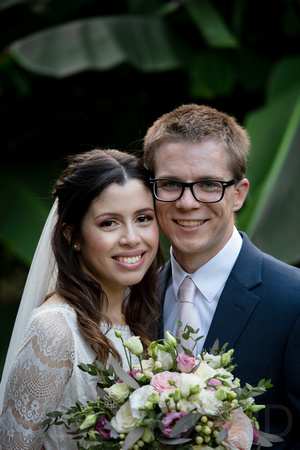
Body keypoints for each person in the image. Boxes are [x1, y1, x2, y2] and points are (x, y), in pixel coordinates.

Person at [143, 103, 300, 449]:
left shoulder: (294, 300)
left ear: (239, 193)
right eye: (170, 184)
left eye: (209, 185)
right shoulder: (133, 298)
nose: (187, 203)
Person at [0, 148, 162, 449]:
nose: (131, 237)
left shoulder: (138, 320)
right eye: (109, 223)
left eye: (143, 218)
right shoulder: (55, 330)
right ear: (73, 236)